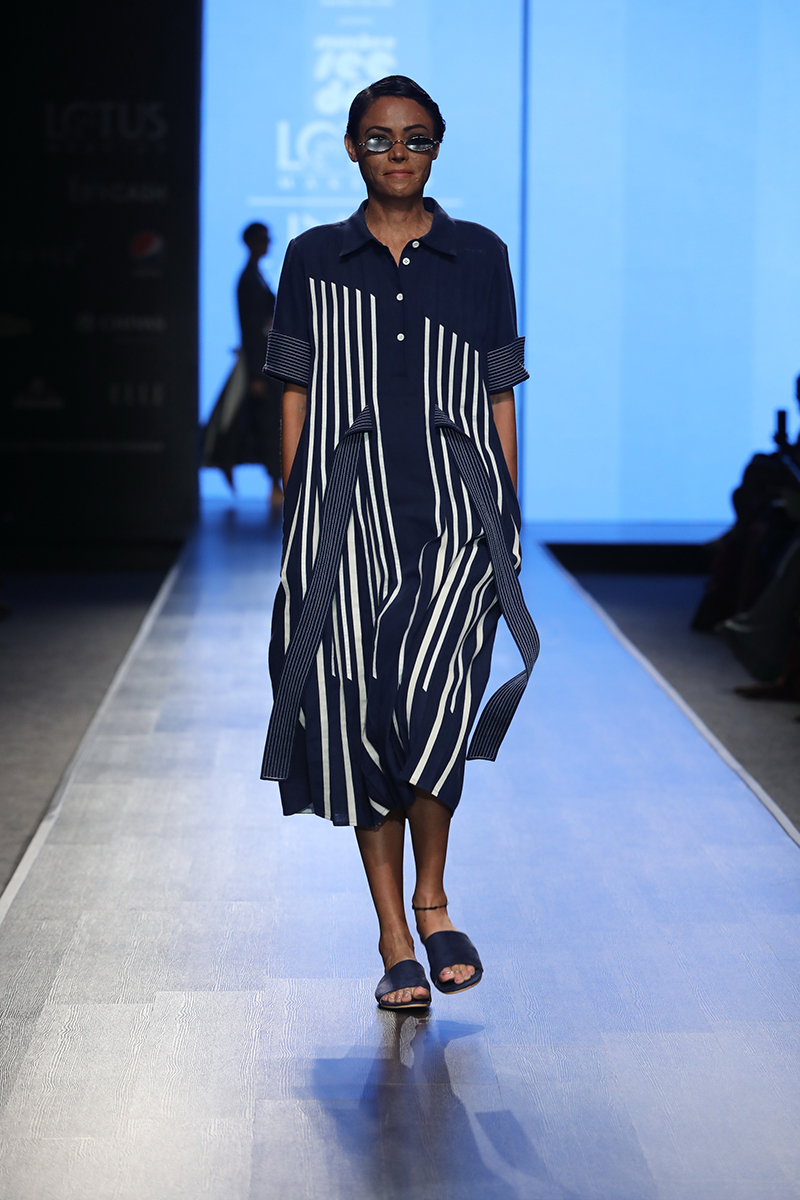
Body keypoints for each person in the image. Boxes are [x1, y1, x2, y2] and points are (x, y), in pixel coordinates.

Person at [261, 76, 538, 1010]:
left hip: (458, 510)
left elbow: (500, 389)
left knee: (433, 701)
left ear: (435, 148)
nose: (398, 153)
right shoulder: (313, 257)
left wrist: (506, 508)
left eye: (415, 138)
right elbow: (294, 388)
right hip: (345, 511)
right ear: (351, 148)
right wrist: (299, 502)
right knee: (360, 717)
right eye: (379, 139)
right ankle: (395, 935)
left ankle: (434, 896)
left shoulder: (480, 253)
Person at [202, 223, 283, 505]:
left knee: (255, 420)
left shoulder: (256, 276)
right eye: (262, 239)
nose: (267, 243)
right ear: (250, 242)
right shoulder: (248, 279)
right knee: (264, 421)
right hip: (260, 364)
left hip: (265, 360)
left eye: (268, 239)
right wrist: (257, 374)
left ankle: (262, 476)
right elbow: (249, 328)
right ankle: (273, 483)